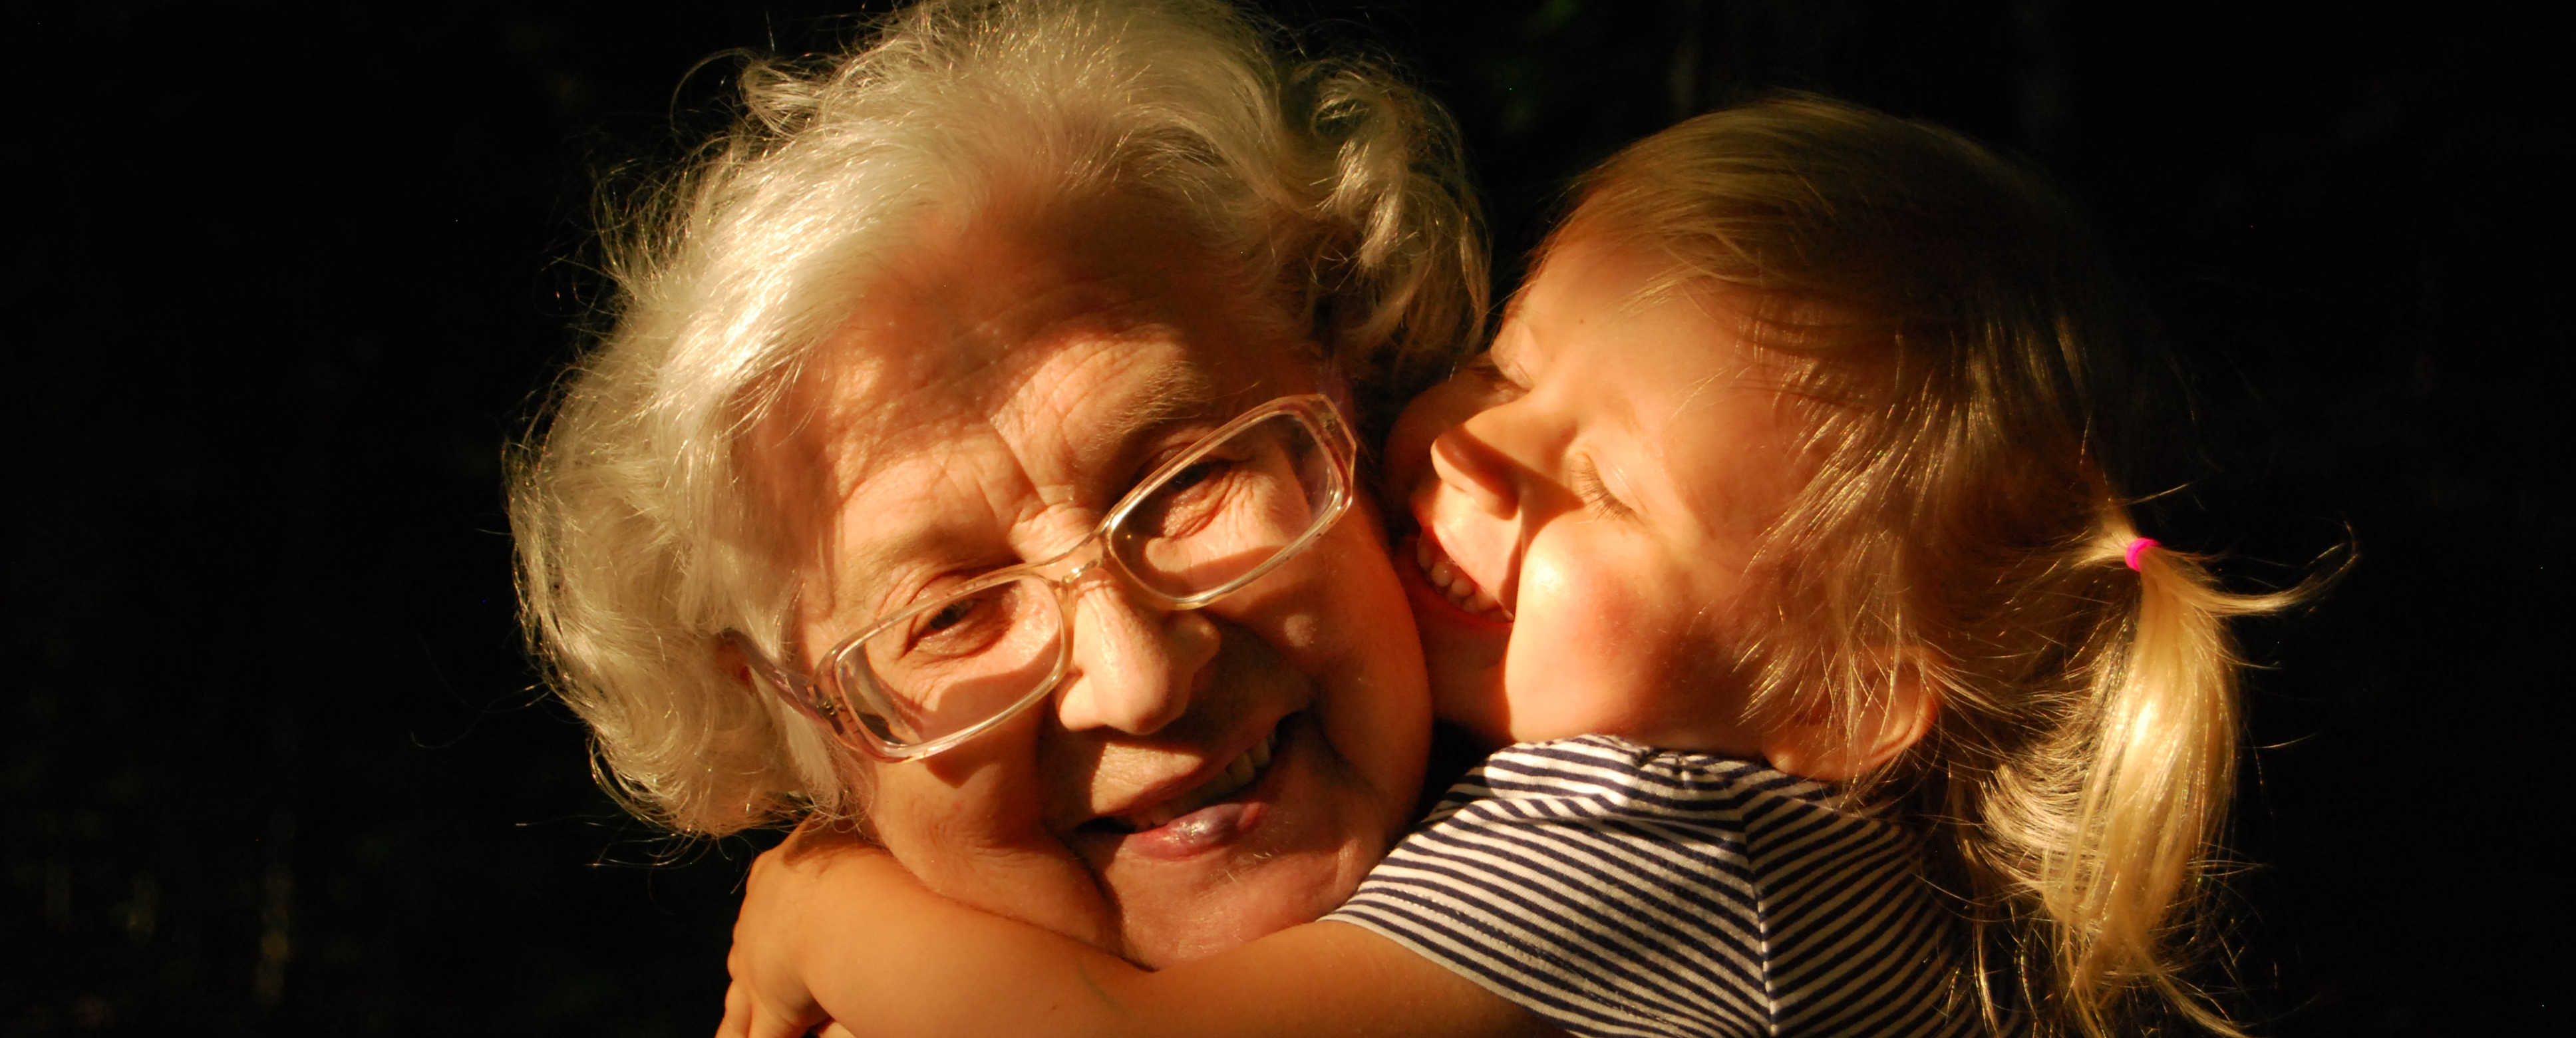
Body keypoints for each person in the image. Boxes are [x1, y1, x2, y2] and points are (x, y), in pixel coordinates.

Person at [717, 97, 2318, 1038]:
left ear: (1837, 704)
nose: (1475, 454)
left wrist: (813, 911)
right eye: (1507, 368)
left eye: (1602, 490)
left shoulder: (1675, 854)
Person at [509, 0, 1495, 982]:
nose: (1140, 682)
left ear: (1350, 403)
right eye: (953, 613)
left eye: (1188, 479)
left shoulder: (1626, 803)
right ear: (796, 723)